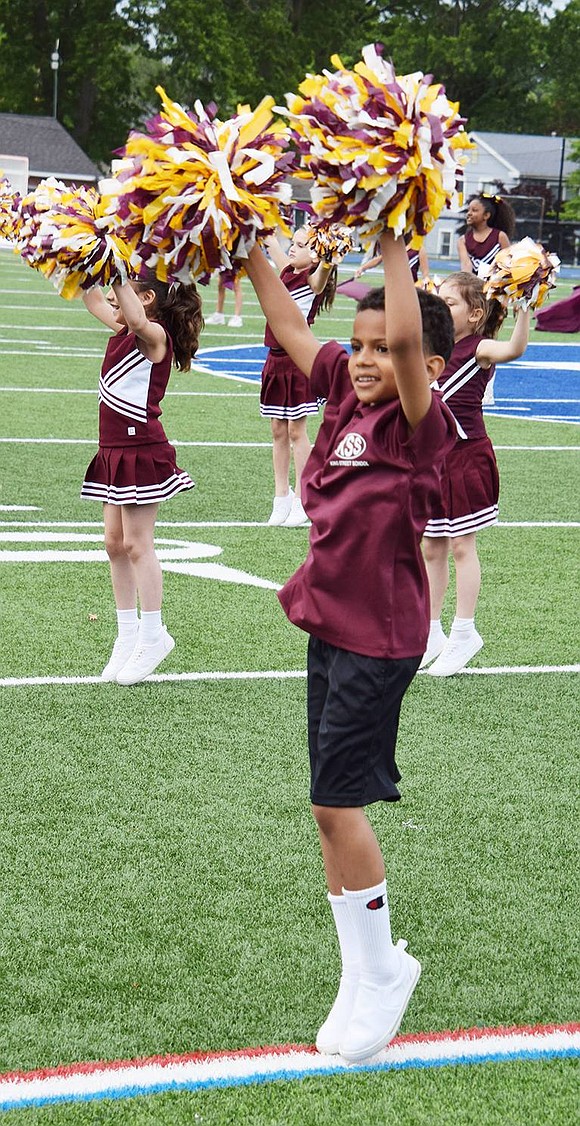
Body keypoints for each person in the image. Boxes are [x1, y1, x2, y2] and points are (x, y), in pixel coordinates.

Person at [243, 229, 457, 1062]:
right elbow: (289, 325)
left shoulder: (419, 421)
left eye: (383, 349)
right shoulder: (338, 389)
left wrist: (396, 240)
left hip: (381, 637)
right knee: (327, 808)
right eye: (357, 345)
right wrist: (243, 240)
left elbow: (407, 337)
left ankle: (382, 973)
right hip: (330, 624)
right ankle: (363, 970)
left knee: (338, 804)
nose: (365, 358)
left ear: (427, 369)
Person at [81, 273, 203, 685]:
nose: (115, 296)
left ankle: (154, 633)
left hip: (141, 449)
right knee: (114, 544)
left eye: (125, 289)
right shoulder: (122, 327)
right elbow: (94, 301)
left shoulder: (154, 337)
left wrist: (114, 269)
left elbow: (134, 320)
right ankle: (127, 631)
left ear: (147, 299)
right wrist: (78, 262)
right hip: (112, 448)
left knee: (137, 544)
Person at [421, 272, 530, 677]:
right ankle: (430, 630)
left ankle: (464, 631)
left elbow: (515, 349)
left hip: (467, 458)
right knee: (431, 546)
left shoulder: (478, 347)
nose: (441, 308)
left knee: (462, 546)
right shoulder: (433, 346)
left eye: (450, 304)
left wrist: (524, 308)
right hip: (434, 460)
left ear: (475, 314)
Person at [260, 228, 336, 527]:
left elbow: (319, 281)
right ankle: (282, 496)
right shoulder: (288, 271)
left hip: (297, 361)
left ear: (315, 254)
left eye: (300, 245)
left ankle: (305, 498)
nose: (292, 248)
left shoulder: (311, 278)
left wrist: (328, 260)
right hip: (274, 360)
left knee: (296, 431)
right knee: (278, 430)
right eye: (293, 243)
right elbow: (272, 245)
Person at [457, 194, 516, 407]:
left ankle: (488, 388)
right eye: (469, 210)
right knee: (469, 340)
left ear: (487, 215)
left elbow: (510, 267)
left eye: (474, 210)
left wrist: (504, 295)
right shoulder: (463, 240)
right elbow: (466, 268)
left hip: (494, 297)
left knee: (488, 339)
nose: (469, 214)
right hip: (474, 296)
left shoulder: (499, 237)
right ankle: (468, 383)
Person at [354, 242, 429, 283]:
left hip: (410, 287)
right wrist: (362, 268)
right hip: (393, 286)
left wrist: (426, 281)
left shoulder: (419, 248)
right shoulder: (395, 246)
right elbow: (379, 259)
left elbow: (425, 273)